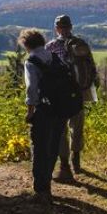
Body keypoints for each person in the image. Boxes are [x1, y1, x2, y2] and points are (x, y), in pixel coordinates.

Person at [46, 14, 98, 181]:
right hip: (80, 92)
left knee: (61, 130)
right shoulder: (81, 44)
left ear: (57, 28)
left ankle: (64, 165)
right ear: (71, 26)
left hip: (61, 94)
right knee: (77, 126)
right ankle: (76, 161)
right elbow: (92, 68)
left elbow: (46, 71)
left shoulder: (51, 46)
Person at [19, 29, 67, 203]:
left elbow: (31, 88)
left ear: (26, 44)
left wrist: (30, 111)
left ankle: (41, 189)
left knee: (39, 147)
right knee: (53, 146)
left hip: (43, 109)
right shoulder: (54, 56)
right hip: (60, 108)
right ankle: (47, 180)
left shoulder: (31, 61)